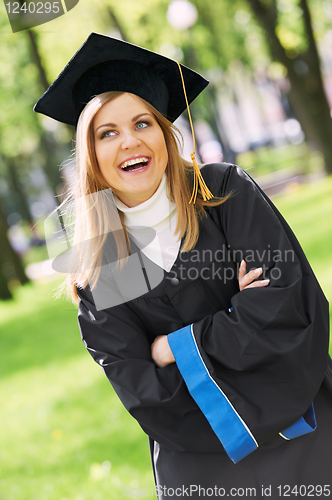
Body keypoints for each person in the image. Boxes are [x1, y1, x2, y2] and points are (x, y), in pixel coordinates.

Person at [34, 33, 332, 499]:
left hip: (306, 436)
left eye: (142, 123)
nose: (129, 142)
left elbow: (282, 311)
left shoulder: (222, 196)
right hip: (201, 469)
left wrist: (172, 348)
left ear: (165, 130)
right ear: (90, 152)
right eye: (107, 133)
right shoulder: (105, 260)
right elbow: (143, 389)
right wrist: (233, 317)